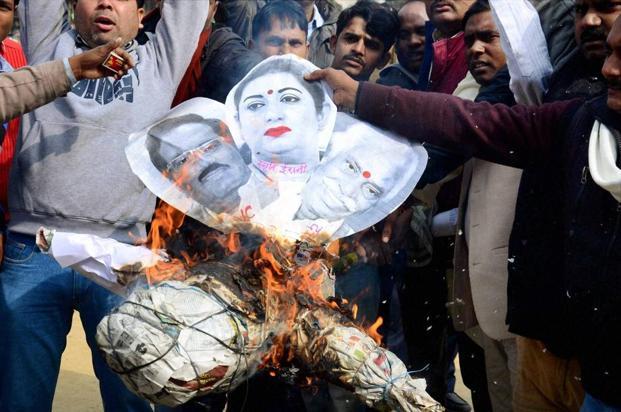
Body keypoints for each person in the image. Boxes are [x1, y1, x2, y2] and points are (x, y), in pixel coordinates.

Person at [307, 11, 621, 409]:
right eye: (611, 53)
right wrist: (363, 96)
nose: (610, 69)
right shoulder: (581, 121)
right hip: (584, 370)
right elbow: (468, 120)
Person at [0, 0, 210, 411]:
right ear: (72, 6)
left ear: (142, 13)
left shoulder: (162, 61)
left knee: (131, 403)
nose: (105, 3)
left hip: (122, 260)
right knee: (19, 401)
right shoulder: (48, 50)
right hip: (34, 248)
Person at [230, 55, 333, 180]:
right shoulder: (232, 189)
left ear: (322, 114)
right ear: (238, 123)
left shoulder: (342, 182)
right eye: (255, 105)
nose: (272, 115)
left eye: (289, 99)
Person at [146, 114, 251, 215]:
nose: (203, 160)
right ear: (176, 183)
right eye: (183, 160)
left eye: (209, 147)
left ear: (233, 144)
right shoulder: (182, 229)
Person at [329, 0, 399, 81]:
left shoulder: (379, 93)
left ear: (383, 60)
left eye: (371, 45)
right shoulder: (310, 85)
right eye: (350, 39)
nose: (358, 49)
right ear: (333, 43)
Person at [379, 0, 429, 89]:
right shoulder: (388, 89)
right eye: (403, 35)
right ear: (396, 45)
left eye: (422, 32)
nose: (413, 41)